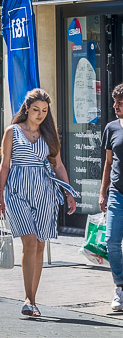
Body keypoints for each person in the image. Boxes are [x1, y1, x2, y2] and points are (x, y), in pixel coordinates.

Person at [0, 87, 79, 319]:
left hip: (44, 190)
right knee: (30, 241)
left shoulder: (49, 134)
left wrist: (68, 192)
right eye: (36, 109)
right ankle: (28, 299)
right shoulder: (12, 131)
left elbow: (58, 165)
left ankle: (33, 298)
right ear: (27, 108)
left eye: (44, 110)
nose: (40, 114)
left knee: (40, 244)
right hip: (17, 191)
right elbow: (5, 165)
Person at [100, 85, 123, 313]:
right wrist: (102, 192)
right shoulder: (111, 128)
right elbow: (108, 162)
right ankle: (120, 287)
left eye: (120, 103)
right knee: (111, 240)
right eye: (115, 102)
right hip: (117, 192)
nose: (115, 106)